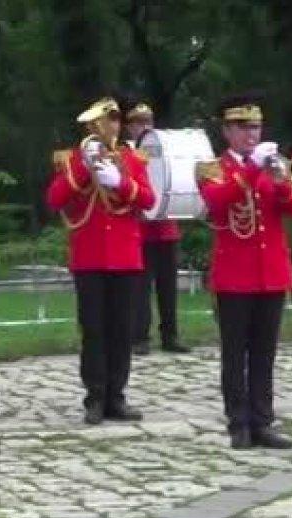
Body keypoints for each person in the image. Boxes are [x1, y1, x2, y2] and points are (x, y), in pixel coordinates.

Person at [196, 92, 292, 450]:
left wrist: (281, 181)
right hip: (235, 275)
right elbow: (217, 202)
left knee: (264, 352)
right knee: (234, 353)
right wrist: (252, 169)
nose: (251, 134)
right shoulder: (212, 168)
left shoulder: (271, 164)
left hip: (270, 272)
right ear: (226, 131)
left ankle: (263, 420)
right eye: (242, 127)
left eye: (255, 127)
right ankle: (238, 423)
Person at [46, 96, 155, 426]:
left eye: (115, 120)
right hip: (90, 256)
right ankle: (94, 396)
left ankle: (116, 396)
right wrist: (83, 165)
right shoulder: (72, 159)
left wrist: (120, 182)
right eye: (105, 120)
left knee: (121, 331)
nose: (111, 126)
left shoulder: (131, 159)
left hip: (125, 256)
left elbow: (149, 200)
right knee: (93, 330)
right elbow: (54, 199)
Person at [123, 99, 189, 355]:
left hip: (166, 226)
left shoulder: (162, 147)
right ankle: (139, 336)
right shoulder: (126, 152)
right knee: (140, 286)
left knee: (168, 285)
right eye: (138, 122)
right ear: (129, 127)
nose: (144, 126)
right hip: (140, 228)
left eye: (147, 121)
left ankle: (170, 335)